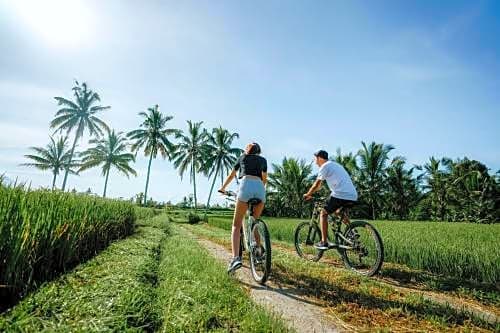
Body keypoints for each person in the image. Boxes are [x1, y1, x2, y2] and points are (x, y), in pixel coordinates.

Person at [218, 142, 267, 272]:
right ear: (259, 151)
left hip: (245, 186)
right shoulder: (263, 160)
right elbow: (264, 179)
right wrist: (259, 189)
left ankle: (235, 259)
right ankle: (258, 251)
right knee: (254, 223)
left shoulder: (242, 157)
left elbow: (232, 174)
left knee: (236, 225)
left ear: (247, 150)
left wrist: (223, 188)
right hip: (260, 189)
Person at [303, 150, 358, 250]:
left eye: (315, 158)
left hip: (340, 194)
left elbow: (317, 185)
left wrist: (308, 194)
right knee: (338, 212)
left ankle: (324, 242)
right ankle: (352, 232)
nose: (315, 161)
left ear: (319, 158)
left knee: (323, 213)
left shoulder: (325, 166)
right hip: (353, 195)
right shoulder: (336, 165)